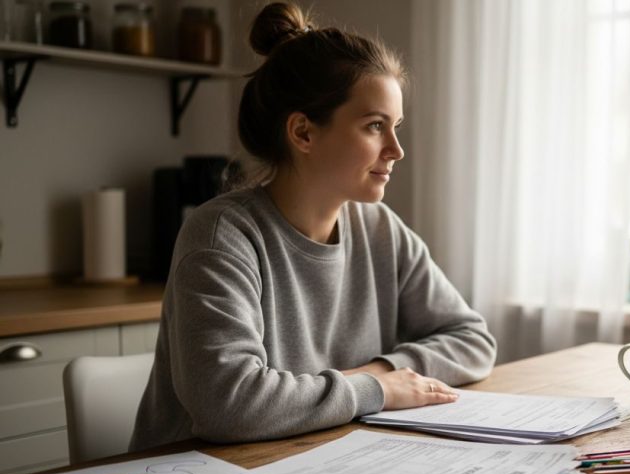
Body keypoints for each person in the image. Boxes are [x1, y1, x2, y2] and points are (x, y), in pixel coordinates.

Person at [130, 2, 497, 451]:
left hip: (315, 457)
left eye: (395, 126)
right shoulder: (222, 236)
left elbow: (473, 341)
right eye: (375, 126)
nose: (396, 149)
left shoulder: (380, 229)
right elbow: (228, 405)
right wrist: (379, 390)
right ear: (303, 133)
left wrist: (378, 373)